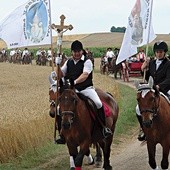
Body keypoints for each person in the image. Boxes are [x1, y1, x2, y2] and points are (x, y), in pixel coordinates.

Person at [55, 40, 112, 144]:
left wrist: (75, 82)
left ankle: (104, 128)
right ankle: (62, 133)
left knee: (98, 103)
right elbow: (59, 75)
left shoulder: (87, 61)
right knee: (59, 109)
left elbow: (85, 75)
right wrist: (57, 65)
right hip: (73, 91)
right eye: (74, 51)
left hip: (86, 89)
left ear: (81, 51)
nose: (77, 53)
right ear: (72, 52)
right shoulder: (69, 62)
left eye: (78, 51)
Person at [136, 41, 170, 141]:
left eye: (161, 52)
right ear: (155, 52)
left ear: (164, 52)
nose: (159, 53)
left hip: (166, 89)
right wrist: (143, 69)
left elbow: (169, 79)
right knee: (138, 109)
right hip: (152, 90)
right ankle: (144, 130)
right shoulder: (151, 63)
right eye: (157, 52)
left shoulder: (168, 64)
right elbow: (147, 77)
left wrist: (159, 86)